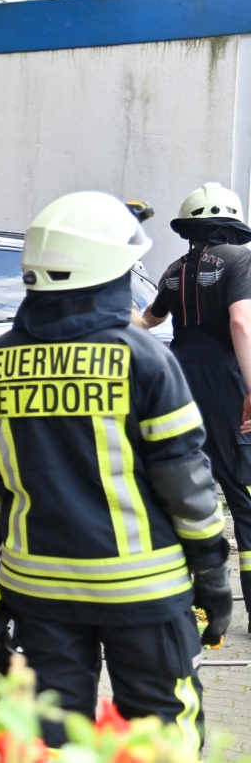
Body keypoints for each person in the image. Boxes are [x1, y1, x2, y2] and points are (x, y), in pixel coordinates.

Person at [0, 192, 232, 749]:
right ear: (107, 268)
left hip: (38, 588)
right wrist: (213, 578)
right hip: (144, 591)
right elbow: (187, 484)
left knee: (55, 736)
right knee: (161, 729)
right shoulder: (144, 359)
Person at [135, 182, 251, 627]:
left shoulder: (173, 270)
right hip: (226, 385)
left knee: (183, 492)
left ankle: (184, 606)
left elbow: (147, 319)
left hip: (178, 383)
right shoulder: (240, 260)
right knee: (243, 496)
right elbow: (241, 321)